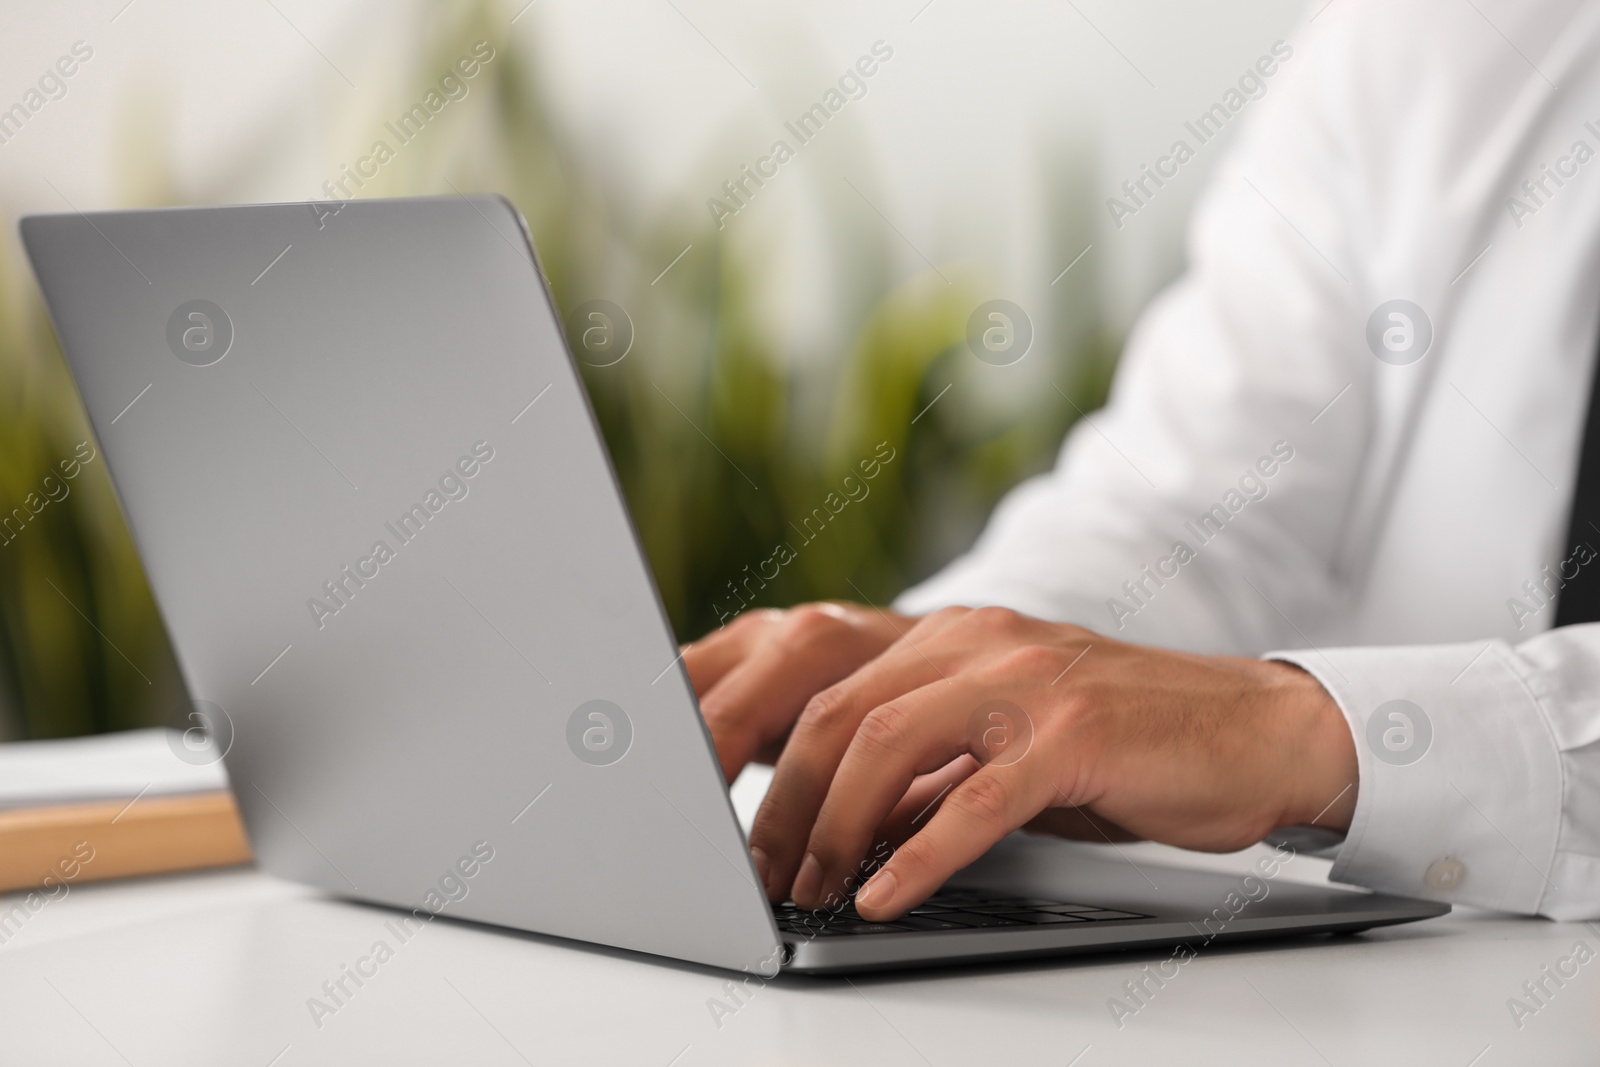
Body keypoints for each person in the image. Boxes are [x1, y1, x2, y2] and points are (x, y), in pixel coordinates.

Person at [683, 0, 1600, 924]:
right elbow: (1198, 511)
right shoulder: (1437, 34)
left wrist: (1305, 738)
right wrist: (936, 683)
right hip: (1411, 1000)